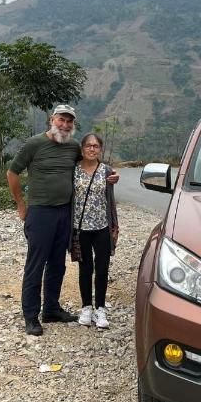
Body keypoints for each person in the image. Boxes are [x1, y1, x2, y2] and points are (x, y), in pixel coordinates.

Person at [6, 105, 119, 336]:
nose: (65, 125)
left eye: (69, 121)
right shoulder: (34, 144)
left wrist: (111, 175)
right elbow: (12, 172)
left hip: (65, 213)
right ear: (52, 119)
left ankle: (51, 309)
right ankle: (30, 316)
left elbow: (91, 164)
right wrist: (21, 206)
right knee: (36, 264)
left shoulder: (72, 147)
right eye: (61, 120)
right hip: (40, 212)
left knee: (58, 263)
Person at [73, 132, 119, 329]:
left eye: (96, 146)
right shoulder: (73, 170)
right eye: (88, 146)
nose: (92, 149)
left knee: (102, 268)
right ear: (82, 149)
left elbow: (111, 201)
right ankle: (86, 307)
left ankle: (100, 308)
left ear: (100, 149)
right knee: (85, 268)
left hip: (102, 227)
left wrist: (115, 225)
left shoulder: (107, 171)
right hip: (80, 227)